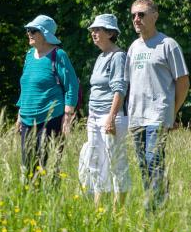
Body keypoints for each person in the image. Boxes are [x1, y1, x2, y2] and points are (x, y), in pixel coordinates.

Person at [127, 0, 189, 210]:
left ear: (155, 16)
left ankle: (158, 210)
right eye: (134, 15)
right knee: (144, 166)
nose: (137, 19)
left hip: (158, 115)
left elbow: (183, 81)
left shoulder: (168, 45)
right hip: (136, 117)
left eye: (141, 14)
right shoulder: (133, 47)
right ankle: (152, 209)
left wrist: (171, 112)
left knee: (154, 160)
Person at [16, 15, 79, 185]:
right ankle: (32, 203)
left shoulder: (58, 55)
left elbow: (72, 84)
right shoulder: (29, 55)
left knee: (48, 166)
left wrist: (67, 115)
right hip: (28, 118)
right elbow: (26, 85)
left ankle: (50, 203)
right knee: (28, 168)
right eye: (28, 30)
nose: (29, 33)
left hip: (50, 118)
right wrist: (19, 114)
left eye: (33, 31)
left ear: (44, 33)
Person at [78, 14, 129, 207]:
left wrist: (111, 117)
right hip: (95, 117)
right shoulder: (101, 57)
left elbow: (119, 89)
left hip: (111, 117)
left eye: (97, 29)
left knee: (116, 164)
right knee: (96, 163)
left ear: (110, 33)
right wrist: (92, 117)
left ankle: (118, 211)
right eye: (92, 30)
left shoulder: (118, 56)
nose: (93, 33)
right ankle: (99, 209)